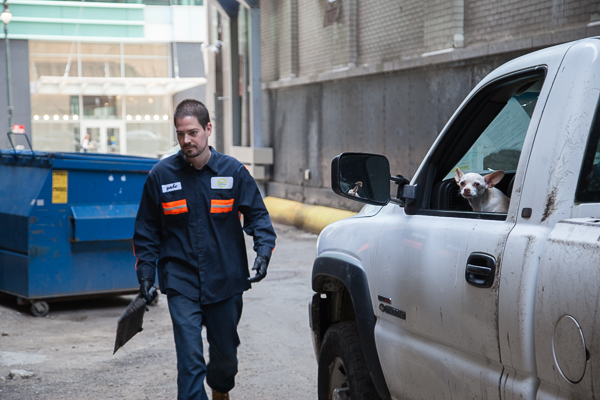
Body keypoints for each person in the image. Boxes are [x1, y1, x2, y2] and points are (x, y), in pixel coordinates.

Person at [133, 99, 276, 400]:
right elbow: (146, 231)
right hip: (181, 282)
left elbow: (259, 216)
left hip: (226, 280)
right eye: (180, 134)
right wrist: (146, 276)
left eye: (193, 132)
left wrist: (262, 253)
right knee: (190, 360)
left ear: (208, 129)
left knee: (225, 358)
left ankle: (220, 390)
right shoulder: (161, 176)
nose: (186, 140)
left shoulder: (233, 171)